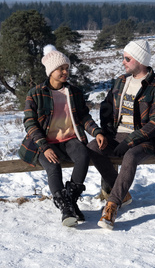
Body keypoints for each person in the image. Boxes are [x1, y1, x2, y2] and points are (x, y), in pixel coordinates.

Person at [18, 45, 107, 227]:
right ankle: (66, 209)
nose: (65, 72)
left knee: (83, 155)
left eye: (67, 68)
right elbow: (29, 122)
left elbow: (83, 117)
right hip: (43, 143)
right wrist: (44, 146)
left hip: (69, 140)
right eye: (61, 69)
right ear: (51, 71)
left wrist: (96, 131)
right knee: (53, 166)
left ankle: (69, 201)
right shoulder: (35, 93)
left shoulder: (73, 92)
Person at [88, 39, 155, 230]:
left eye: (127, 58)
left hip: (147, 139)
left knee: (130, 155)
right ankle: (123, 193)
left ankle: (112, 205)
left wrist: (130, 141)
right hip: (118, 134)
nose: (123, 62)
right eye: (123, 58)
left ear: (140, 60)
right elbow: (107, 105)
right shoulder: (121, 81)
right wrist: (106, 131)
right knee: (93, 148)